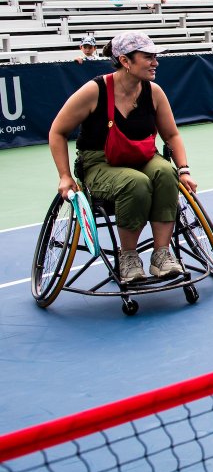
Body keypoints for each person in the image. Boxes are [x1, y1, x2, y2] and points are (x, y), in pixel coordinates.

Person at [48, 32, 195, 284]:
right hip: (100, 162)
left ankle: (161, 254)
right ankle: (128, 257)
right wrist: (64, 176)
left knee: (165, 173)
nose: (155, 62)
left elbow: (171, 135)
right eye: (148, 57)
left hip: (142, 155)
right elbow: (57, 132)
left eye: (155, 57)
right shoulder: (94, 91)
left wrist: (183, 170)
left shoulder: (154, 92)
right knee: (135, 183)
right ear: (125, 61)